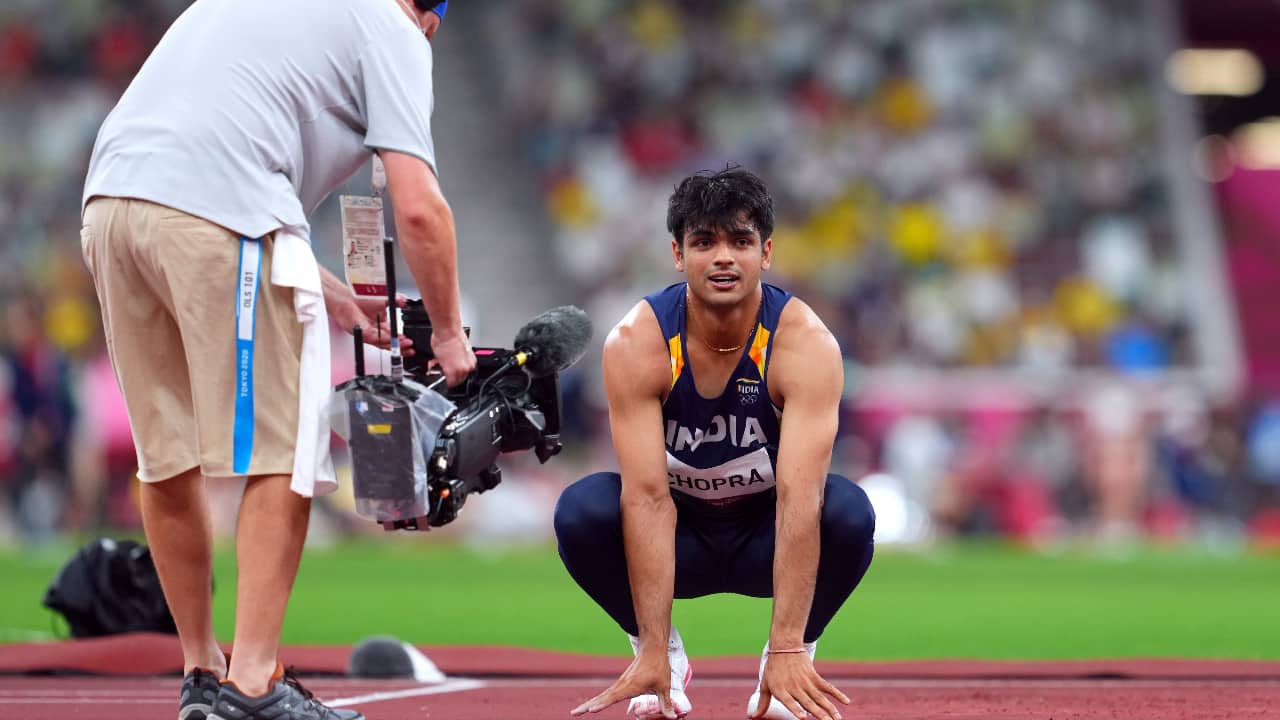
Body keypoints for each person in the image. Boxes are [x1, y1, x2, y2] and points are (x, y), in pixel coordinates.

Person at [79, 1, 475, 719]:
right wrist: (449, 336)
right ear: (432, 19)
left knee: (164, 457)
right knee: (284, 451)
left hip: (111, 204)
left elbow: (211, 147)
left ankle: (204, 671)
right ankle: (255, 683)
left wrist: (329, 292)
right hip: (217, 209)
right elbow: (419, 208)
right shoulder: (394, 28)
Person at [555, 167, 876, 720]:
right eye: (704, 242)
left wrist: (787, 645)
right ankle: (663, 663)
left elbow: (801, 499)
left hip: (764, 539)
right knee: (581, 510)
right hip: (679, 542)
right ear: (678, 255)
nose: (723, 257)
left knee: (849, 511)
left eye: (740, 241)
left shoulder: (805, 344)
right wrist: (653, 644)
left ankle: (787, 670)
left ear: (766, 253)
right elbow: (647, 499)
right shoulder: (638, 342)